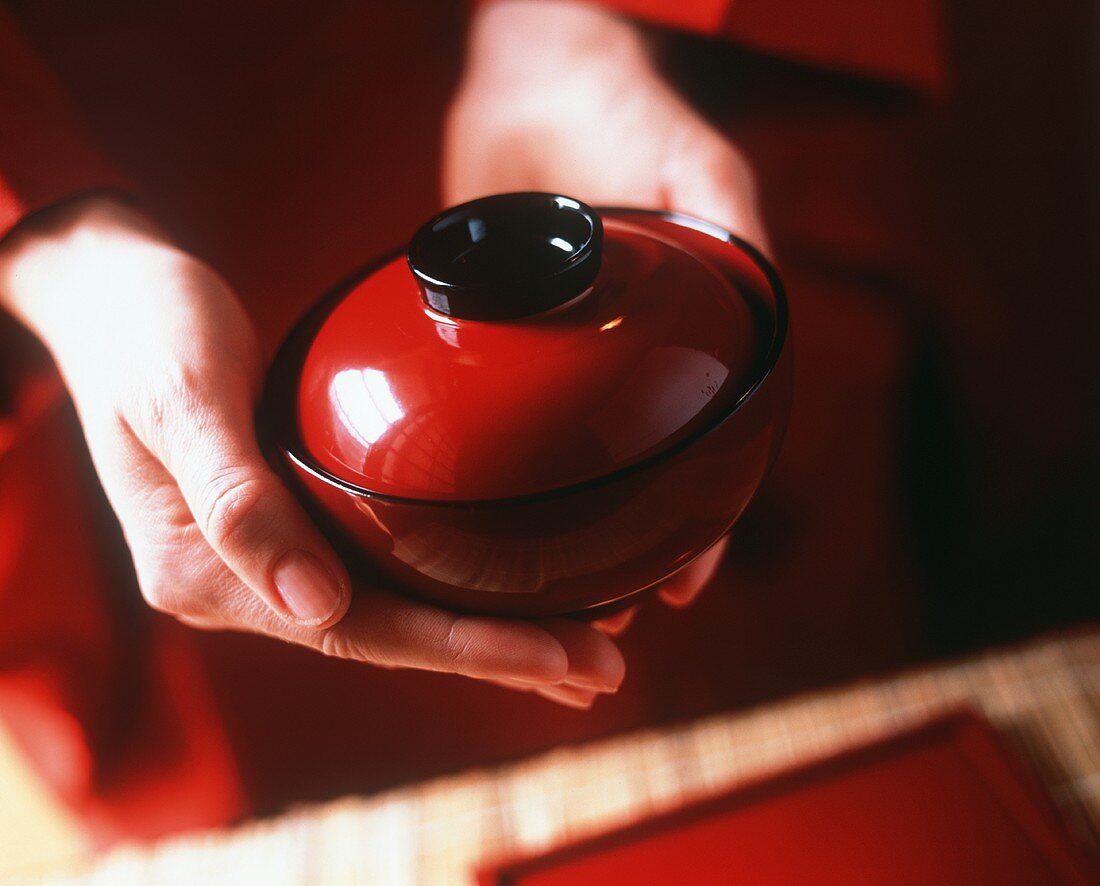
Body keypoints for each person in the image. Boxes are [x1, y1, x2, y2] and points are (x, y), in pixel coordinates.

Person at [0, 0, 1093, 846]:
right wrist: (58, 239)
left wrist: (566, 27)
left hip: (629, 84)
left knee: (847, 763)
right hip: (114, 172)